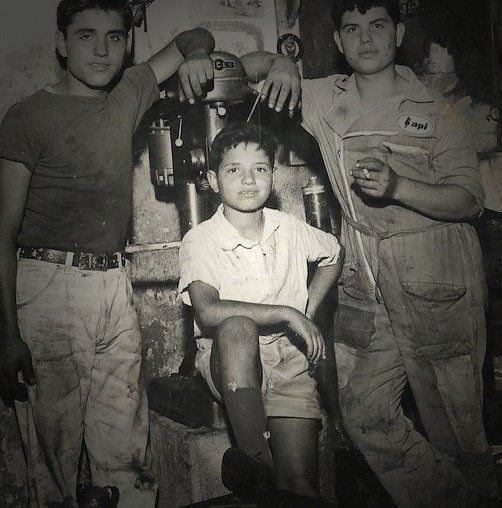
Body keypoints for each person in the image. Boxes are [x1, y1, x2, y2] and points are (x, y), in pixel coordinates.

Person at [240, 1, 500, 506]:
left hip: (436, 277)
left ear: (398, 33)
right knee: (362, 416)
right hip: (365, 278)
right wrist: (282, 63)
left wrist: (400, 185)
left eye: (377, 26)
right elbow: (239, 70)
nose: (365, 39)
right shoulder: (320, 98)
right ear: (337, 42)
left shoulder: (436, 108)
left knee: (456, 431)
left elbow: (469, 198)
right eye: (352, 29)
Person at [178, 121, 343, 503]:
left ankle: (267, 475)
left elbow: (334, 254)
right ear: (213, 179)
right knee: (237, 326)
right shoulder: (201, 239)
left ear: (274, 174)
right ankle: (254, 461)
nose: (248, 180)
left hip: (289, 359)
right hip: (233, 361)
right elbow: (207, 312)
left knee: (300, 489)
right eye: (234, 169)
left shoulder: (290, 228)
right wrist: (287, 312)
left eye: (260, 169)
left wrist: (305, 310)